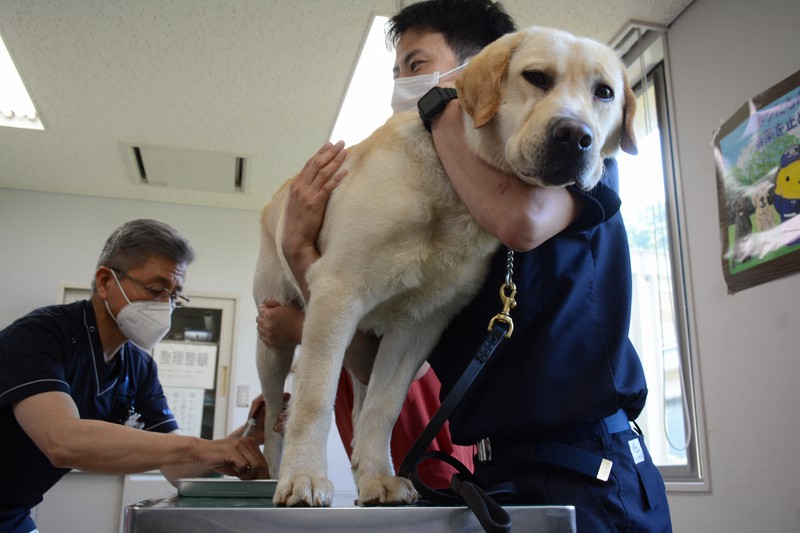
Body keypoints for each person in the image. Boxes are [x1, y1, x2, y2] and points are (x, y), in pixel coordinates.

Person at [270, 1, 674, 531]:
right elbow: (377, 363)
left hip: (591, 467)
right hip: (492, 467)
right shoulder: (439, 207)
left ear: (476, 73)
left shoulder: (594, 177)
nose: (574, 113)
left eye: (417, 66)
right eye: (538, 80)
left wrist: (441, 104)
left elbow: (520, 220)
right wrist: (301, 253)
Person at [256, 0, 516, 491]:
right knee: (274, 374)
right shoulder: (392, 160)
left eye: (415, 65)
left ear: (484, 67)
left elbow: (392, 350)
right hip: (290, 247)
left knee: (391, 342)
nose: (402, 84)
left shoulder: (506, 205)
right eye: (396, 71)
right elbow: (339, 293)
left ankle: (372, 464)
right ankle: (284, 455)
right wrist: (292, 244)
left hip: (481, 447)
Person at [0, 219, 269, 533]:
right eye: (156, 290)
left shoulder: (139, 367)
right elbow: (61, 441)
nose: (165, 306)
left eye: (174, 297)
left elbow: (177, 467)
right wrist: (202, 447)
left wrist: (249, 435)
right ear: (104, 281)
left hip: (13, 514)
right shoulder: (42, 335)